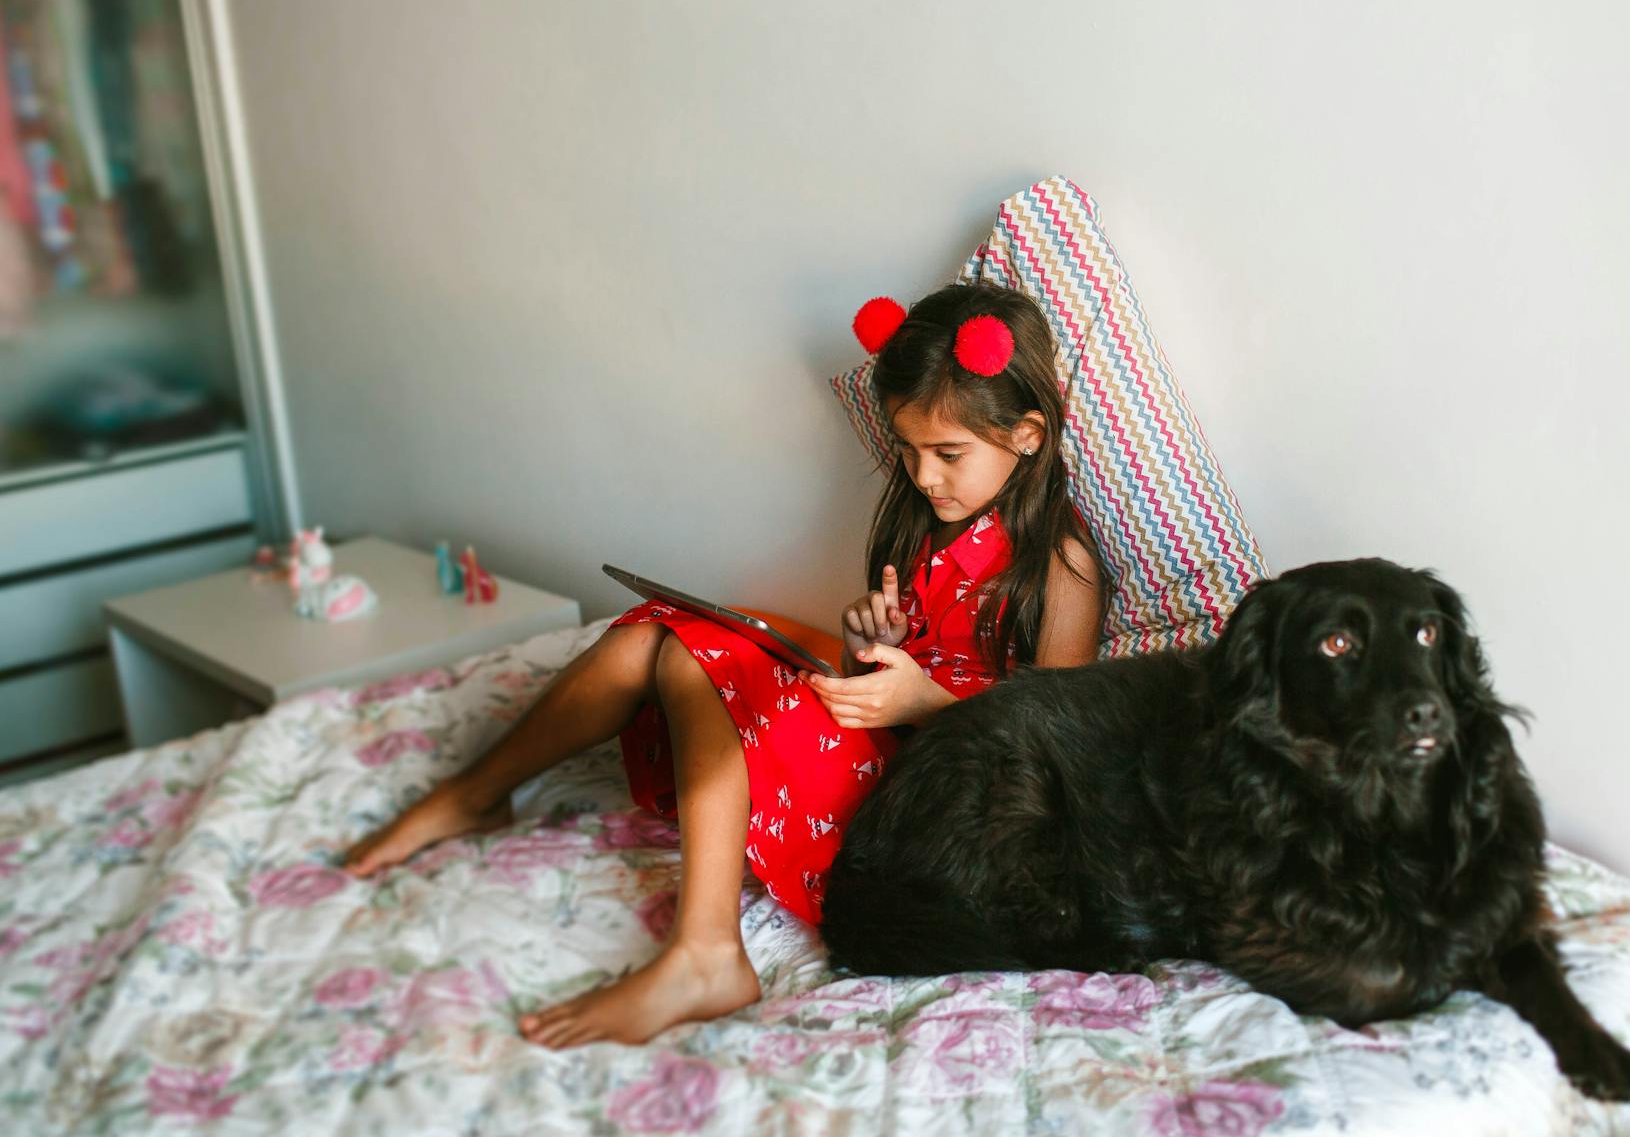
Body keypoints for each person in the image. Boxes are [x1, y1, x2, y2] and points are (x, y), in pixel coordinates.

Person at [340, 283, 1106, 1048]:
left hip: (929, 808)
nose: (922, 476)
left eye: (947, 455)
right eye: (906, 450)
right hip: (884, 739)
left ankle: (705, 954)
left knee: (691, 657)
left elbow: (1053, 759)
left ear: (1030, 435)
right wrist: (874, 643)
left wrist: (923, 702)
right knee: (649, 637)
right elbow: (888, 674)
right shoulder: (933, 526)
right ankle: (475, 793)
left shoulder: (1059, 564)